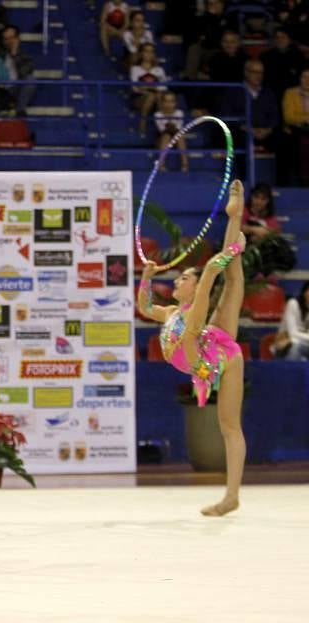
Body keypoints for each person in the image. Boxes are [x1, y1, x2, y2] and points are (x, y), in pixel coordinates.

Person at [138, 179, 247, 517]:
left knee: (232, 279)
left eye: (184, 277)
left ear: (194, 287)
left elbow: (213, 275)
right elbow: (144, 307)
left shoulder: (194, 312)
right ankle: (231, 498)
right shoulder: (170, 312)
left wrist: (224, 258)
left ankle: (234, 215)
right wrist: (146, 276)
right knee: (228, 425)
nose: (177, 280)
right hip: (205, 354)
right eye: (179, 277)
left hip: (217, 357)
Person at [130, 43, 168, 135]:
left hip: (158, 98)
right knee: (151, 95)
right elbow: (135, 88)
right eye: (146, 51)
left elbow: (164, 87)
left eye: (151, 52)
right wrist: (153, 87)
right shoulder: (135, 69)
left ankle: (160, 126)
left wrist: (146, 86)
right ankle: (145, 125)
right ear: (141, 53)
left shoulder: (159, 70)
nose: (149, 54)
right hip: (139, 98)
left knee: (157, 95)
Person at [153, 91, 188, 172]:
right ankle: (161, 164)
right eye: (166, 101)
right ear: (162, 103)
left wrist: (170, 126)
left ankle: (185, 164)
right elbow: (162, 130)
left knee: (180, 136)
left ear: (175, 103)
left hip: (176, 138)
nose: (169, 104)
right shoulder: (158, 115)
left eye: (171, 101)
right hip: (161, 139)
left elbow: (178, 128)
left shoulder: (179, 113)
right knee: (166, 136)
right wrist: (171, 127)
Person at [276, 282, 309, 360]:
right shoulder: (293, 304)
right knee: (296, 347)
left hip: (303, 344)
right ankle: (289, 371)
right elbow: (292, 334)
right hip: (285, 345)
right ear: (305, 292)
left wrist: (293, 339)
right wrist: (292, 339)